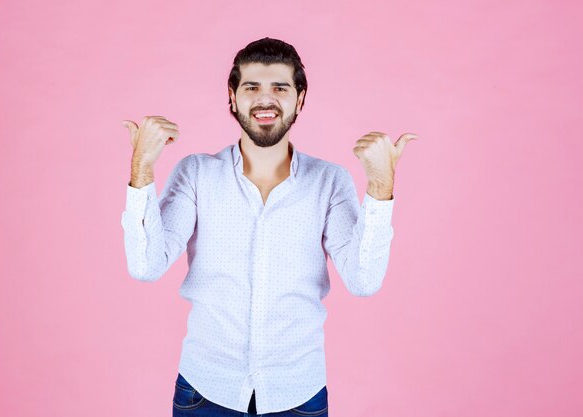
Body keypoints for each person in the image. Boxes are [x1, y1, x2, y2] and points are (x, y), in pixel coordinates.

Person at [120, 37, 417, 416]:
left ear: (300, 99)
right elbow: (145, 266)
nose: (266, 99)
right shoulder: (196, 174)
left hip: (298, 394)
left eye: (280, 87)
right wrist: (142, 168)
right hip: (205, 392)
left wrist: (380, 186)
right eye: (252, 87)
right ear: (232, 96)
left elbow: (364, 281)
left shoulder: (329, 181)